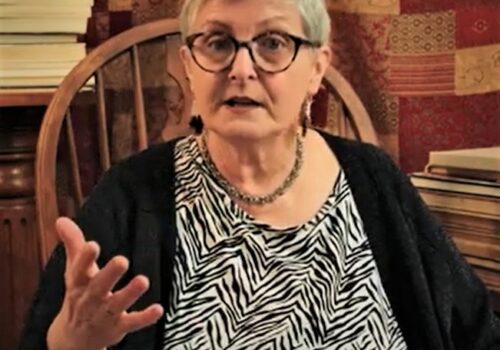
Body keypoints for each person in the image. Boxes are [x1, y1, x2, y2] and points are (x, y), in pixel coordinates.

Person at [20, 0, 500, 349]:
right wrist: (71, 343)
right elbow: (46, 339)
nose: (241, 68)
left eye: (272, 43)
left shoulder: (374, 179)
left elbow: (476, 329)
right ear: (189, 66)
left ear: (316, 69)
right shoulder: (129, 196)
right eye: (218, 42)